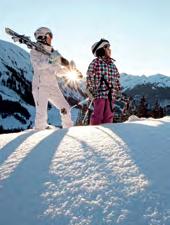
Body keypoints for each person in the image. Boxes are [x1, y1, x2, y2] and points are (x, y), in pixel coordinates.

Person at [30, 27, 73, 130]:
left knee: (65, 108)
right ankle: (38, 138)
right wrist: (50, 59)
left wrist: (70, 71)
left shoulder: (53, 53)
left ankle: (68, 129)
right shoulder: (34, 51)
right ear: (43, 37)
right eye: (50, 36)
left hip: (53, 86)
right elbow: (38, 65)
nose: (51, 39)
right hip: (40, 87)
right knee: (42, 115)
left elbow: (58, 71)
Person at [86, 38, 121, 125]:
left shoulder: (112, 65)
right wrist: (91, 89)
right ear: (101, 50)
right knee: (98, 114)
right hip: (99, 94)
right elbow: (89, 75)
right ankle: (95, 131)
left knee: (109, 115)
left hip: (110, 95)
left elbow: (116, 79)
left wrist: (117, 91)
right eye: (107, 47)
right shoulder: (96, 62)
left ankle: (107, 132)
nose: (110, 49)